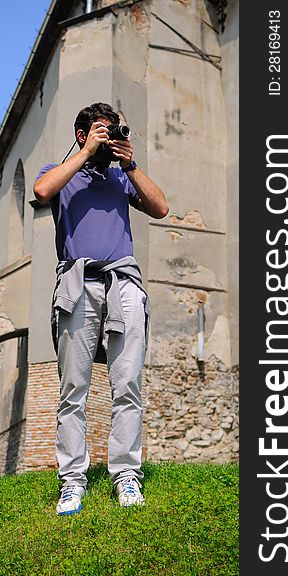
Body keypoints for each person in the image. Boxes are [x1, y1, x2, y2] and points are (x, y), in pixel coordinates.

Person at [33, 102, 168, 516]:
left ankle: (126, 476)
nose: (110, 137)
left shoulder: (120, 177)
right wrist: (87, 153)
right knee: (73, 390)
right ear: (81, 134)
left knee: (127, 385)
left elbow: (161, 207)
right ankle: (72, 482)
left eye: (113, 131)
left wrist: (130, 165)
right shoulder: (59, 171)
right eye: (101, 131)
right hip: (78, 284)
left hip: (124, 284)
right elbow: (41, 192)